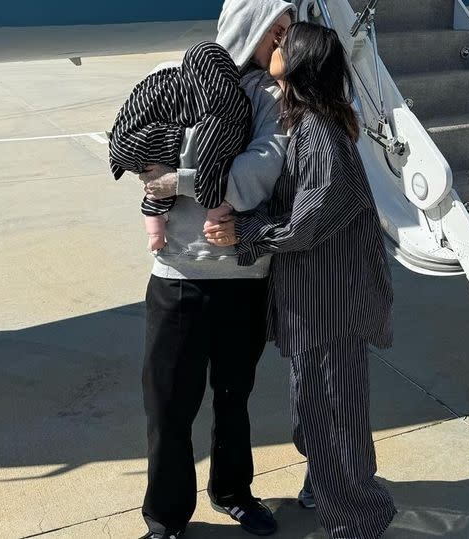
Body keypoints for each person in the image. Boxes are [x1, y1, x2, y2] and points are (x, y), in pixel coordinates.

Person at [205, 22, 397, 538]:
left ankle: (357, 520)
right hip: (315, 305)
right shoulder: (311, 124)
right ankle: (333, 490)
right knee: (323, 411)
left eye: (287, 43)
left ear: (301, 64)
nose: (277, 45)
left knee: (331, 417)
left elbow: (307, 223)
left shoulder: (318, 133)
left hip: (330, 308)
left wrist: (245, 231)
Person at [135, 1, 296, 537]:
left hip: (244, 283)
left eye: (286, 32)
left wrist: (177, 181)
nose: (280, 41)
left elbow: (258, 179)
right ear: (246, 24)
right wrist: (160, 169)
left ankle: (234, 493)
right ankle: (165, 517)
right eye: (274, 29)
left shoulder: (271, 98)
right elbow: (137, 143)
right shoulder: (169, 78)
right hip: (176, 280)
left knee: (234, 400)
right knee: (168, 409)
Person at [109, 40, 252, 251]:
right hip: (193, 253)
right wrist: (203, 192)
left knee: (155, 186)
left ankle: (155, 233)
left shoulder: (166, 82)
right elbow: (210, 155)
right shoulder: (228, 103)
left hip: (129, 151)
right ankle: (212, 218)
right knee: (220, 162)